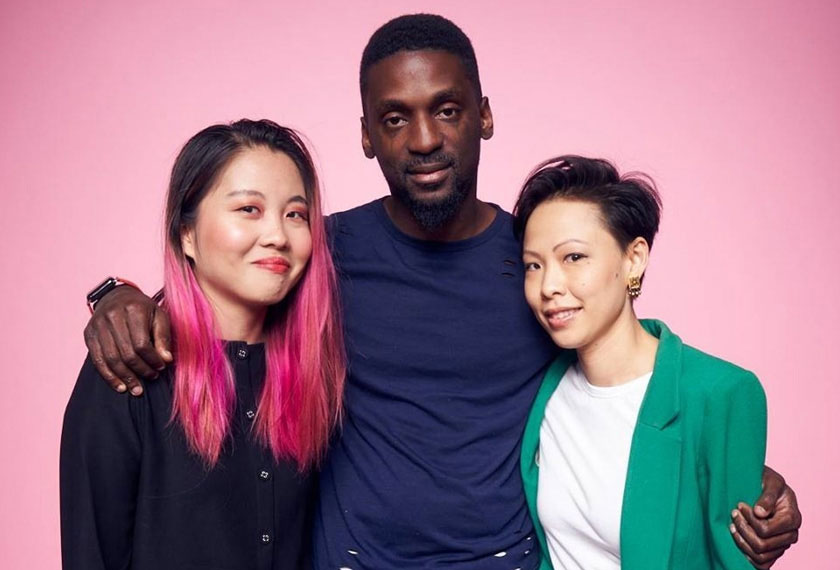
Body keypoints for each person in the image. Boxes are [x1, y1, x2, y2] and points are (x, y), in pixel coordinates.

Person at [78, 14, 801, 569]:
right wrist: (118, 297)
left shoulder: (535, 264)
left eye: (447, 110)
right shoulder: (318, 254)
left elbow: (623, 374)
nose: (423, 138)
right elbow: (227, 288)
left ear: (483, 115)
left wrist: (736, 471)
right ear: (367, 135)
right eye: (395, 118)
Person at [61, 119, 345, 570]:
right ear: (187, 235)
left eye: (296, 214)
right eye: (249, 209)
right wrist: (111, 293)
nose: (277, 234)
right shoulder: (130, 367)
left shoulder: (318, 373)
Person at [515, 155, 767, 569]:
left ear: (634, 258)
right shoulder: (543, 386)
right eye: (533, 265)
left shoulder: (721, 394)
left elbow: (738, 557)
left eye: (573, 258)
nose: (549, 286)